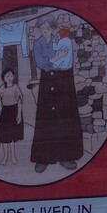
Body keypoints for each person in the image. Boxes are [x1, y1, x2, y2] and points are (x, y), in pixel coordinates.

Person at [30, 17, 83, 173]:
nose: (45, 29)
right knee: (45, 120)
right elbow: (41, 63)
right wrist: (56, 58)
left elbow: (67, 59)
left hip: (62, 81)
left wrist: (54, 60)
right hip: (47, 82)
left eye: (48, 27)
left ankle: (66, 156)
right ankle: (43, 158)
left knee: (65, 117)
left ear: (52, 28)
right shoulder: (38, 43)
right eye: (43, 27)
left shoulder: (59, 39)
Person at [0, 68, 23, 165]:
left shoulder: (16, 87)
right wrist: (0, 111)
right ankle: (5, 156)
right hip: (5, 113)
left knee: (12, 136)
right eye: (7, 76)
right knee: (4, 137)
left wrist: (19, 115)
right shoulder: (1, 88)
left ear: (14, 77)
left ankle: (13, 156)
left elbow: (19, 102)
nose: (9, 78)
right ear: (3, 78)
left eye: (11, 76)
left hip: (14, 111)